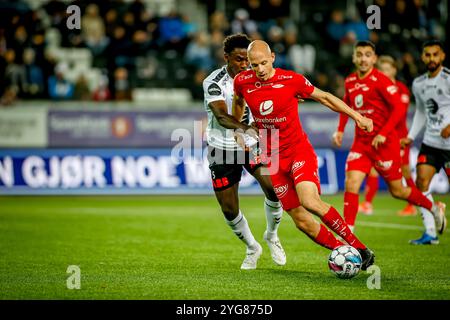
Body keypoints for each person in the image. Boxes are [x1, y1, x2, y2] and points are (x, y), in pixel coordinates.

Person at [232, 39, 376, 270]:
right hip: (273, 160)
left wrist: (358, 117)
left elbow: (326, 97)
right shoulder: (242, 81)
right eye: (253, 65)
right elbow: (238, 102)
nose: (259, 70)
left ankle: (360, 248)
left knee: (310, 201)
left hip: (298, 150)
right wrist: (239, 128)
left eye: (263, 63)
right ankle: (343, 251)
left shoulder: (292, 80)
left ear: (273, 59)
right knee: (301, 221)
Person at [332, 41, 446, 238]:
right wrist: (340, 130)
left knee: (398, 190)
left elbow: (400, 108)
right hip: (361, 143)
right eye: (359, 54)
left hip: (384, 144)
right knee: (351, 183)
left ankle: (434, 207)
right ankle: (347, 235)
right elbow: (347, 106)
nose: (363, 59)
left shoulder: (381, 80)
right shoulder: (350, 80)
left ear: (374, 59)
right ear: (353, 58)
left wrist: (383, 133)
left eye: (368, 55)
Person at [203, 34, 286, 270]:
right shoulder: (213, 81)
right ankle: (252, 247)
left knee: (273, 187)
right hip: (221, 148)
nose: (244, 65)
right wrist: (246, 129)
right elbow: (220, 115)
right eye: (239, 59)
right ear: (226, 57)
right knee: (229, 208)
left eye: (247, 61)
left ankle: (272, 235)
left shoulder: (257, 77)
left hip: (251, 145)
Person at [401, 40, 450, 245]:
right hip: (430, 143)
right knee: (421, 183)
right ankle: (430, 233)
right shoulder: (418, 83)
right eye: (427, 55)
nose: (431, 59)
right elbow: (421, 111)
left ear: (442, 56)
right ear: (422, 57)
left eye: (435, 55)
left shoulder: (448, 78)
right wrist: (411, 136)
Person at [356, 55, 417, 217]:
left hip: (399, 136)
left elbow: (399, 113)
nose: (384, 73)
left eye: (387, 70)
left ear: (394, 70)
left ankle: (416, 203)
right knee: (373, 169)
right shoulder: (377, 88)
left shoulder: (401, 89)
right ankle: (368, 203)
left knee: (405, 172)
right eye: (381, 70)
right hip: (382, 136)